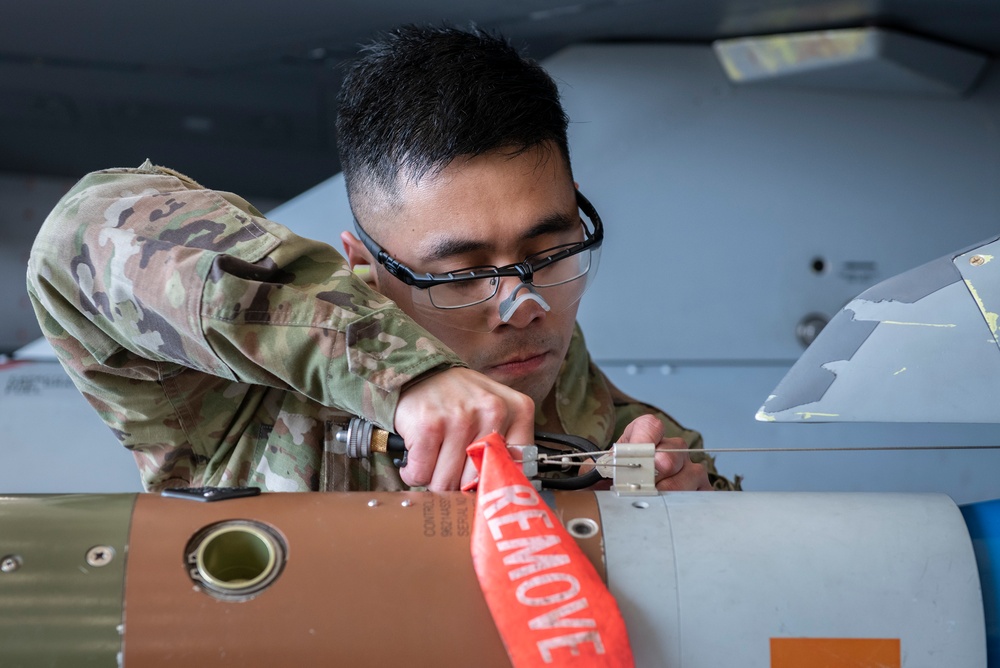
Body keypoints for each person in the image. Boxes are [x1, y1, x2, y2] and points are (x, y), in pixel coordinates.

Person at [26, 24, 736, 493]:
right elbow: (80, 235)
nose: (521, 305)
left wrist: (702, 529)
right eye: (460, 272)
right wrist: (404, 374)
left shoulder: (643, 452)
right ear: (365, 264)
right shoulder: (241, 409)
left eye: (548, 251)